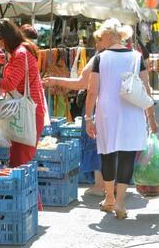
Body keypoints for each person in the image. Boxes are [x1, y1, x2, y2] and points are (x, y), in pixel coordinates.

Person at [85, 18, 158, 219]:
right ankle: (120, 202)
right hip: (132, 111)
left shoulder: (101, 58)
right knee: (127, 156)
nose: (100, 41)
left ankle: (109, 197)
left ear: (109, 36)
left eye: (101, 37)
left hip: (107, 112)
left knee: (108, 153)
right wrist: (151, 117)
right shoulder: (136, 56)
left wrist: (88, 118)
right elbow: (145, 89)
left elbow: (92, 91)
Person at [42, 33, 113, 197]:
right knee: (110, 144)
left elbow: (82, 83)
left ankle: (100, 184)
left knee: (94, 142)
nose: (95, 43)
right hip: (115, 108)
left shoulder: (99, 58)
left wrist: (55, 81)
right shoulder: (122, 58)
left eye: (98, 40)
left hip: (97, 105)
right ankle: (112, 185)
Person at [0, 18, 45, 168]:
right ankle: (28, 191)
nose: (0, 45)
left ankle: (30, 192)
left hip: (29, 112)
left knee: (20, 164)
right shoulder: (21, 51)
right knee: (18, 161)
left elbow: (9, 84)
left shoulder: (20, 54)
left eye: (0, 41)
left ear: (6, 38)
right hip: (28, 111)